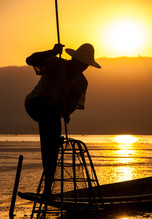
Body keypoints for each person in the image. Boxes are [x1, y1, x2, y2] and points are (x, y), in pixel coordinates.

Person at [25, 43, 101, 197]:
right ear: (73, 59)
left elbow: (72, 105)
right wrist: (52, 52)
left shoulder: (81, 82)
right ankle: (52, 148)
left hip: (52, 114)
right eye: (80, 63)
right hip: (36, 103)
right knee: (51, 132)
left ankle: (48, 186)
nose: (82, 67)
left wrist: (66, 112)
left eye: (85, 65)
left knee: (52, 143)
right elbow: (30, 60)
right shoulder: (56, 63)